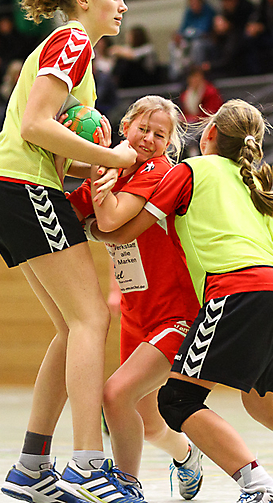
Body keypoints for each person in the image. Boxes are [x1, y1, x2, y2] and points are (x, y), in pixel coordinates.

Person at [90, 99, 273, 503]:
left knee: (178, 400)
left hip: (236, 290)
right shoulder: (257, 186)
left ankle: (261, 487)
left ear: (210, 133)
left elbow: (123, 229)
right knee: (267, 408)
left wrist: (95, 220)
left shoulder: (191, 170)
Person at [0, 0, 141, 503]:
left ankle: (31, 467)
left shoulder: (79, 59)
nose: (122, 6)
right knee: (92, 319)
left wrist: (101, 170)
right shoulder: (73, 40)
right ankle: (88, 466)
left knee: (73, 329)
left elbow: (55, 149)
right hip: (23, 185)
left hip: (9, 186)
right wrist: (113, 155)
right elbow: (34, 125)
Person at [66, 96, 204, 500]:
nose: (148, 139)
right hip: (135, 313)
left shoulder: (156, 170)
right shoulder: (115, 170)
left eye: (159, 135)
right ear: (124, 126)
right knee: (146, 418)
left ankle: (126, 485)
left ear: (169, 143)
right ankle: (187, 455)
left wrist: (100, 171)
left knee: (114, 395)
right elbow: (71, 215)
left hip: (175, 314)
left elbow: (108, 218)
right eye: (142, 129)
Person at [207, 0, 255, 78]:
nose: (224, 4)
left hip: (245, 38)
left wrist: (229, 26)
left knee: (234, 42)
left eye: (226, 1)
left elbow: (245, 26)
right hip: (231, 36)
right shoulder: (225, 10)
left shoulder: (246, 7)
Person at [168, 0, 215, 82]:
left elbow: (203, 31)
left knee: (197, 45)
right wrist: (181, 36)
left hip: (207, 41)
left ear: (201, 2)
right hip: (190, 39)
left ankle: (197, 72)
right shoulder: (189, 12)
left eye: (195, 3)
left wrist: (189, 33)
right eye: (191, 3)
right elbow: (183, 30)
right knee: (174, 45)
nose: (193, 5)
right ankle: (176, 75)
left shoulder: (208, 11)